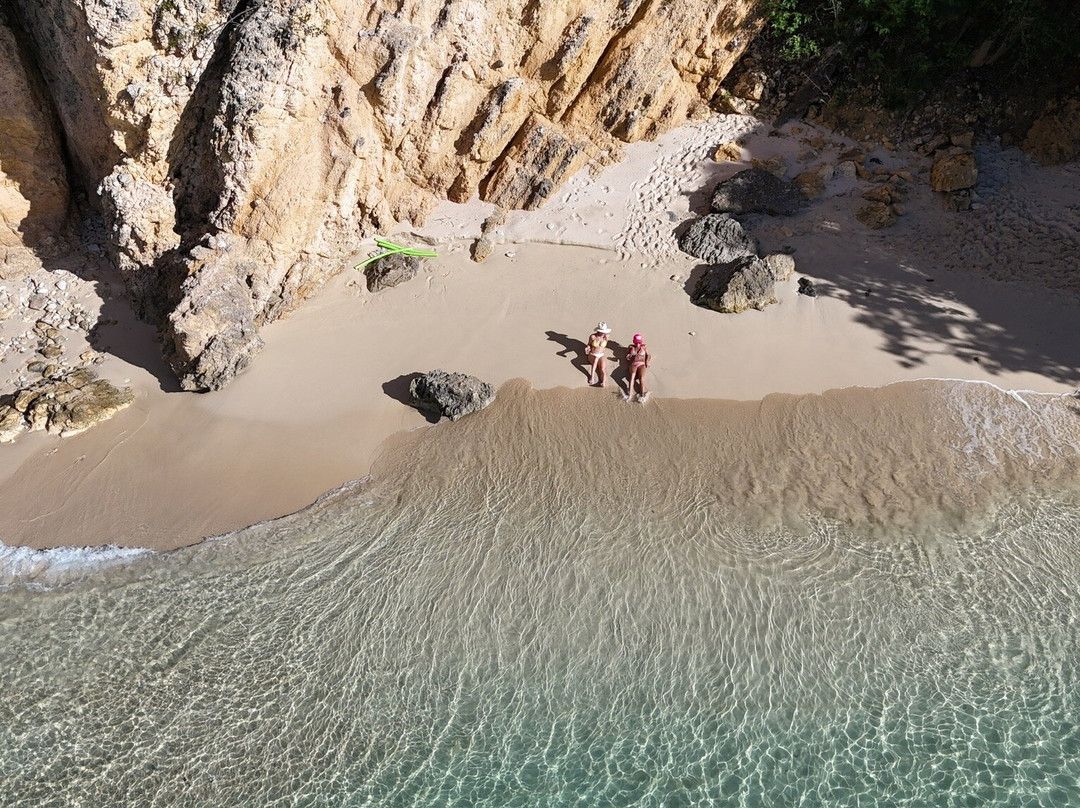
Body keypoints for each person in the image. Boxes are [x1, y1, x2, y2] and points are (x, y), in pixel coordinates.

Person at [585, 322, 612, 386]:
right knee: (595, 360)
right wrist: (587, 348)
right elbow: (589, 344)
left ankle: (603, 382)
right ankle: (592, 377)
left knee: (602, 368)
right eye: (602, 332)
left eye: (604, 332)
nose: (603, 333)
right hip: (592, 354)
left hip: (601, 354)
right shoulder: (593, 337)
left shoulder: (606, 337)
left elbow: (605, 346)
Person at [626, 333, 650, 401]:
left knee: (641, 378)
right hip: (633, 363)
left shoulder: (644, 347)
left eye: (639, 342)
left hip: (642, 364)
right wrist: (628, 356)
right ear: (634, 341)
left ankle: (642, 395)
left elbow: (648, 355)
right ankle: (629, 394)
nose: (638, 344)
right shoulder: (631, 347)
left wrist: (647, 362)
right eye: (636, 342)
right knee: (632, 376)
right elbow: (627, 355)